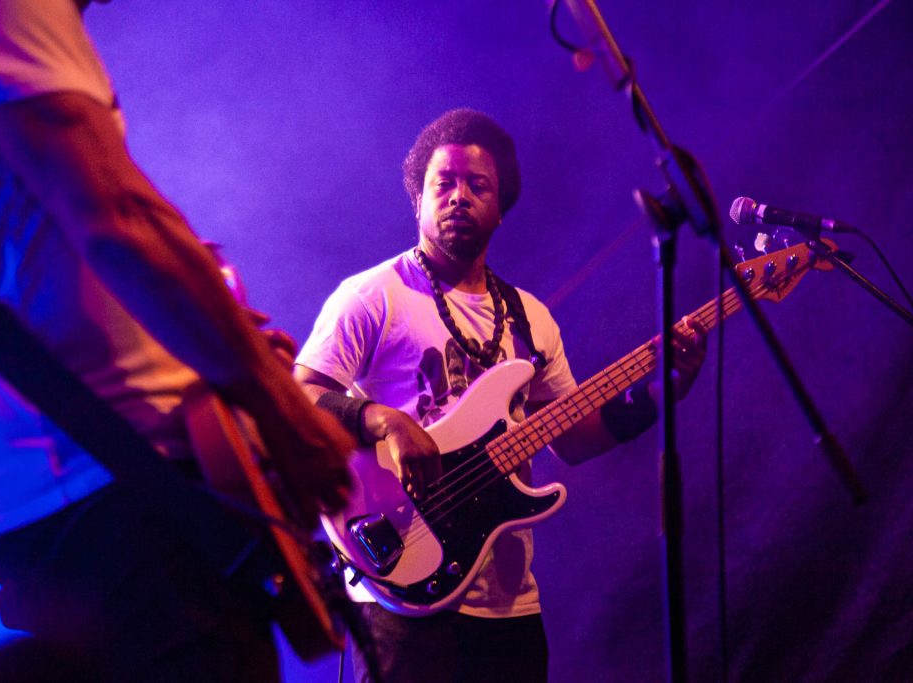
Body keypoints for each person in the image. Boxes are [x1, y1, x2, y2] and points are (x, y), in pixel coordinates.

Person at [0, 1, 353, 680]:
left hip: (58, 506)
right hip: (124, 501)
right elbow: (120, 220)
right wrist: (283, 407)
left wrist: (218, 340)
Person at [294, 109, 707, 683]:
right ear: (418, 199)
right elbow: (300, 396)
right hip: (399, 593)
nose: (458, 196)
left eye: (478, 185)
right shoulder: (371, 297)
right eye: (443, 183)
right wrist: (383, 419)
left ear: (501, 208)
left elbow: (574, 439)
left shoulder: (530, 318)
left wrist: (667, 389)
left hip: (507, 606)